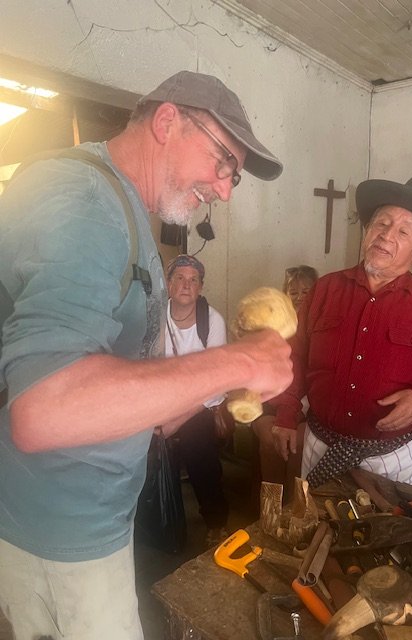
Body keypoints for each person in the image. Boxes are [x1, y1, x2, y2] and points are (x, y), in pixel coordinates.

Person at [0, 70, 292, 640]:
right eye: (224, 162)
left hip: (93, 525)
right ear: (167, 122)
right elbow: (42, 409)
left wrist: (226, 389)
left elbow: (137, 393)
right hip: (58, 538)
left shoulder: (129, 212)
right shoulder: (86, 204)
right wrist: (237, 362)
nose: (226, 189)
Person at [270, 175, 412, 488]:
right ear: (367, 231)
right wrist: (285, 413)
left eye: (403, 231)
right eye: (382, 223)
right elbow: (294, 354)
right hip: (319, 444)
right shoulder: (325, 290)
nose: (386, 235)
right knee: (313, 527)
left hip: (388, 459)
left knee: (383, 534)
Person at [164, 254, 230, 548]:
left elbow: (215, 384)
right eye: (179, 278)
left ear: (200, 287)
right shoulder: (157, 317)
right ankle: (158, 517)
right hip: (162, 399)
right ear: (168, 285)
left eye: (193, 280)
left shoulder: (211, 320)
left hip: (202, 403)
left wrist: (176, 421)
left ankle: (216, 521)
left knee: (198, 447)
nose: (186, 285)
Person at [252, 264, 318, 502]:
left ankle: (293, 510)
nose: (299, 297)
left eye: (305, 291)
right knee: (271, 440)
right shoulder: (272, 325)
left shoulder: (320, 325)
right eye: (293, 291)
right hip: (272, 400)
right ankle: (270, 510)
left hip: (307, 406)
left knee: (299, 445)